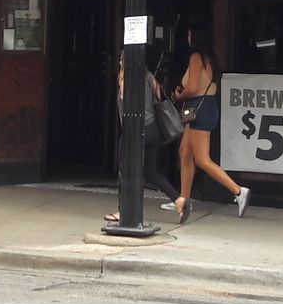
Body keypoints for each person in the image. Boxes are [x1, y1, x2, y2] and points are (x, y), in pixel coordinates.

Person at [171, 21, 251, 224]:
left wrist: (179, 95)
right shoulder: (209, 58)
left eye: (189, 34)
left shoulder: (196, 57)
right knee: (185, 152)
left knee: (201, 159)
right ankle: (183, 199)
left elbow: (192, 87)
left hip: (198, 108)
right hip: (203, 107)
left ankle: (238, 190)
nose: (187, 37)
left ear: (195, 37)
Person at [104, 54, 181, 224]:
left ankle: (123, 211)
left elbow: (126, 101)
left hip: (135, 131)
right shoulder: (149, 76)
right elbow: (159, 96)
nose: (119, 62)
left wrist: (122, 80)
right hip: (153, 130)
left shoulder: (126, 79)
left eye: (121, 59)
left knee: (126, 170)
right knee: (151, 172)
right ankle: (178, 199)